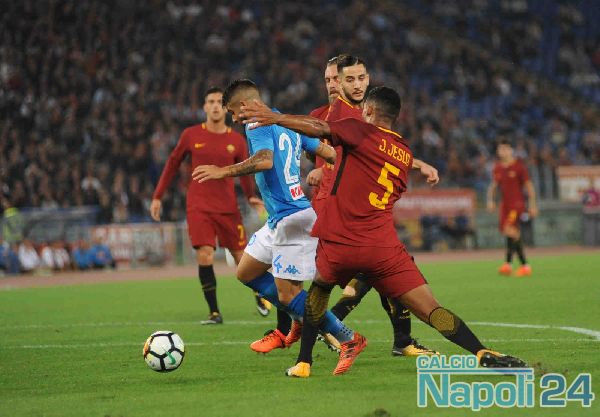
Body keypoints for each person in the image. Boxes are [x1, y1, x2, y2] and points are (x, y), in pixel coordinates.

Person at [240, 86, 527, 378]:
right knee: (431, 309)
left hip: (342, 241)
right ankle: (481, 351)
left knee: (319, 291)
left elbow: (319, 127)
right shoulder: (404, 152)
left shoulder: (360, 131)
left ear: (369, 111)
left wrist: (276, 118)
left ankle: (304, 363)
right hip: (383, 248)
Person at [192, 79, 361, 373]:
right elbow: (331, 154)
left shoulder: (255, 123)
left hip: (291, 219)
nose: (234, 118)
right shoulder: (285, 120)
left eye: (232, 111)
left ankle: (348, 338)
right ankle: (300, 317)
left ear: (244, 106)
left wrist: (223, 171)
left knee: (288, 296)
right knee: (246, 272)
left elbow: (265, 160)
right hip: (280, 219)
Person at [305, 54, 439, 357]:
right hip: (336, 208)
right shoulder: (326, 115)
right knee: (376, 270)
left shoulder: (364, 114)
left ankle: (397, 339)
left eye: (338, 78)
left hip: (359, 207)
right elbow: (321, 151)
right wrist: (323, 168)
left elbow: (379, 152)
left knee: (379, 272)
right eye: (329, 80)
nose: (333, 84)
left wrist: (418, 164)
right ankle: (332, 324)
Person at [151, 87, 269, 325]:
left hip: (228, 208)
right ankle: (214, 312)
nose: (215, 106)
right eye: (211, 101)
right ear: (205, 107)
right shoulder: (191, 135)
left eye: (218, 102)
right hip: (199, 206)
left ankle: (260, 292)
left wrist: (250, 196)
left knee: (241, 257)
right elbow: (172, 164)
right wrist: (157, 196)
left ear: (225, 109)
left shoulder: (236, 140)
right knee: (204, 254)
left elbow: (245, 171)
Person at [487, 138, 538, 277]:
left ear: (511, 150)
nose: (502, 151)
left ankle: (525, 265)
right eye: (500, 149)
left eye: (505, 149)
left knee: (511, 230)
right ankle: (508, 264)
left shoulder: (519, 167)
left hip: (516, 204)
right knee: (509, 232)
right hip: (505, 205)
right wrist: (490, 200)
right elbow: (493, 186)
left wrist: (532, 205)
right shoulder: (498, 167)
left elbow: (529, 186)